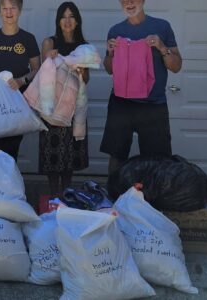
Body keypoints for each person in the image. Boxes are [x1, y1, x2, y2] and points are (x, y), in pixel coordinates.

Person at [100, 0, 182, 176]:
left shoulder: (162, 27)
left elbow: (176, 66)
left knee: (158, 161)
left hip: (153, 104)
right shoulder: (115, 31)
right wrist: (111, 53)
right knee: (116, 157)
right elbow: (109, 69)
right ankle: (115, 198)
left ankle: (156, 200)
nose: (129, 3)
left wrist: (161, 47)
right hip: (121, 104)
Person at [0, 0, 40, 161]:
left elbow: (37, 69)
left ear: (20, 10)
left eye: (13, 8)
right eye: (4, 8)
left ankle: (8, 183)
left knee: (11, 148)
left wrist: (21, 80)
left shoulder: (28, 39)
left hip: (17, 101)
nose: (9, 12)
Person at [38, 2, 90, 196]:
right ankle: (53, 197)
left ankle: (66, 195)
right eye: (63, 16)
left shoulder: (84, 47)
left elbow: (86, 81)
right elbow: (44, 77)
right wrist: (49, 58)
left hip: (75, 107)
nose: (67, 21)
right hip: (53, 107)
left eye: (71, 17)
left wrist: (82, 71)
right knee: (52, 157)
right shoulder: (49, 43)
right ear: (58, 21)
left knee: (69, 157)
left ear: (77, 21)